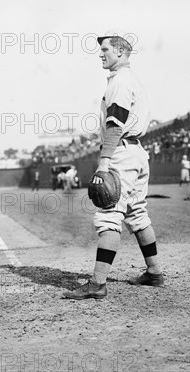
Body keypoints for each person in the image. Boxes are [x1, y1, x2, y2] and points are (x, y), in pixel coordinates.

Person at [63, 29, 163, 300]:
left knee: (108, 214)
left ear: (120, 51)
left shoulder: (119, 81)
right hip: (138, 154)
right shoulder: (133, 80)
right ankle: (154, 273)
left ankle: (97, 283)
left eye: (105, 50)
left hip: (121, 152)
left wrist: (104, 161)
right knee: (138, 214)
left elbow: (115, 123)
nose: (100, 54)